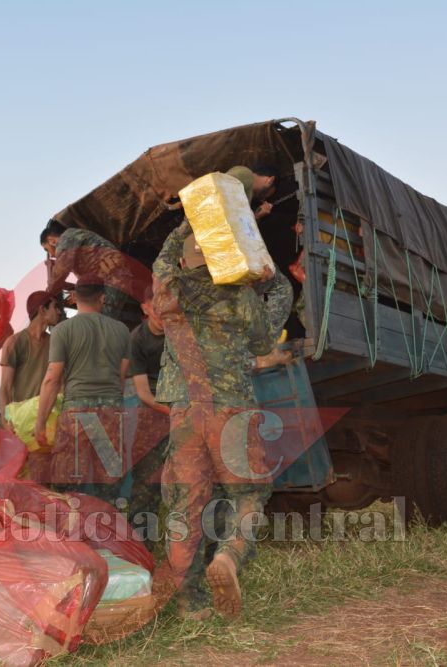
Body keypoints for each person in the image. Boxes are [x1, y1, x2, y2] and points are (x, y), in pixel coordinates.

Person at [152, 220, 291, 620]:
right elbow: (266, 341)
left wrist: (181, 224)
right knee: (248, 496)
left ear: (184, 259)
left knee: (185, 507)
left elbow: (163, 257)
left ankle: (187, 603)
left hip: (184, 414)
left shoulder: (169, 290)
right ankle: (228, 557)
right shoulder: (241, 296)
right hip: (231, 410)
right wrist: (267, 275)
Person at [34, 280, 131, 503]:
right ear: (103, 298)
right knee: (109, 484)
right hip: (111, 411)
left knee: (67, 483)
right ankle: (108, 533)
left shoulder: (62, 331)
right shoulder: (122, 331)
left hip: (76, 413)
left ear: (75, 298)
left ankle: (69, 535)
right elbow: (122, 376)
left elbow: (52, 378)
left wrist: (40, 422)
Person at [126, 283, 170, 551]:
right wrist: (173, 412)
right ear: (145, 308)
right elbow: (143, 393)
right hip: (154, 414)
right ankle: (142, 551)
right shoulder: (138, 339)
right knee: (145, 486)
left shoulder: (179, 333)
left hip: (183, 411)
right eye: (157, 308)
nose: (163, 314)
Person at [41, 220, 134, 322]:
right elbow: (85, 281)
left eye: (46, 249)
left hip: (114, 278)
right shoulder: (75, 243)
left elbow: (60, 272)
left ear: (52, 241)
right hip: (113, 279)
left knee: (99, 322)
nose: (51, 255)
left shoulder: (66, 238)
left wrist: (48, 291)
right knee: (99, 320)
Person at [0, 290, 61, 418]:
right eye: (55, 307)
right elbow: (5, 387)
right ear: (42, 310)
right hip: (22, 420)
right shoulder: (15, 342)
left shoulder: (55, 342)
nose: (59, 312)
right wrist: (6, 419)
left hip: (49, 419)